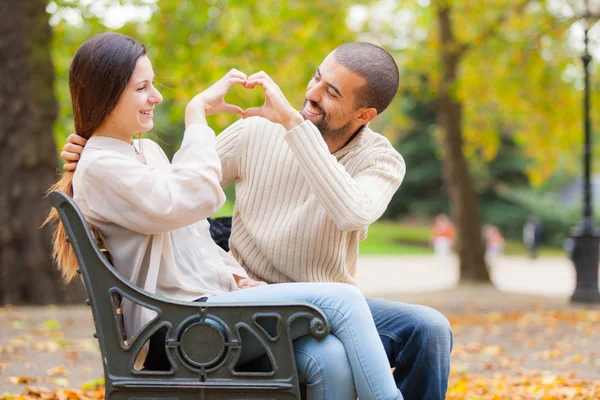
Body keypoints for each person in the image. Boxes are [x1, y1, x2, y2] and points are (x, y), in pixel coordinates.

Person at [62, 42, 452, 399]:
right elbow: (185, 193)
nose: (313, 93)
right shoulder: (252, 132)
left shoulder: (380, 160)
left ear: (364, 115)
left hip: (317, 298)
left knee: (429, 328)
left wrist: (295, 129)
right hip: (238, 304)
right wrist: (96, 147)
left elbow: (351, 212)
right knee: (331, 344)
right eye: (317, 77)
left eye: (332, 92)